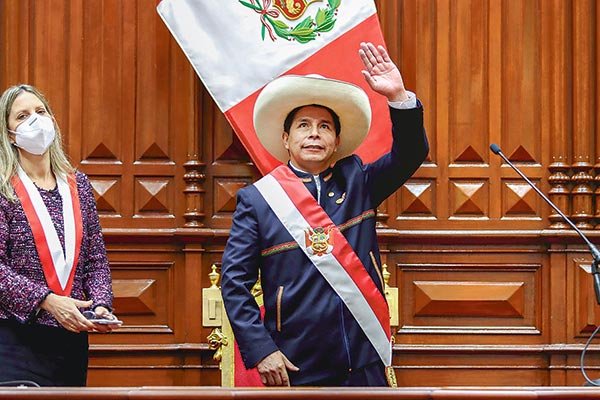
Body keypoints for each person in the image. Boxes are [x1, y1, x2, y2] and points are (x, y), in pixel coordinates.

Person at [221, 42, 428, 387]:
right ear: (286, 139)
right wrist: (262, 351)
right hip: (295, 364)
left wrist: (398, 96)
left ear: (336, 142)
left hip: (363, 360)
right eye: (303, 125)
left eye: (324, 127)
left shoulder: (359, 181)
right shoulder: (258, 201)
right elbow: (234, 283)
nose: (314, 133)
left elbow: (411, 153)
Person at [0, 84, 120, 387]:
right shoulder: (3, 188)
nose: (35, 121)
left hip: (70, 340)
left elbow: (95, 260)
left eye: (40, 112)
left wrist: (100, 304)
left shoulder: (77, 184)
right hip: (15, 339)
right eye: (22, 116)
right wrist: (47, 301)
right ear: (9, 133)